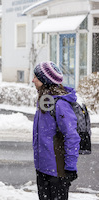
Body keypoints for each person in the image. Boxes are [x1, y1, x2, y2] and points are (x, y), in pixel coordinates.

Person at [32, 61, 81, 200]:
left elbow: (72, 136)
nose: (33, 80)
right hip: (43, 170)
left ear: (45, 80)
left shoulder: (60, 104)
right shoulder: (44, 101)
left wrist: (70, 167)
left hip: (57, 172)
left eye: (36, 77)